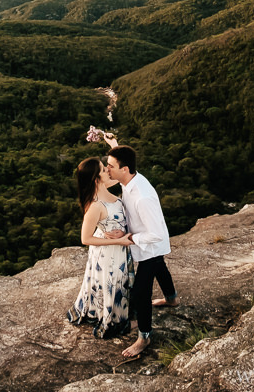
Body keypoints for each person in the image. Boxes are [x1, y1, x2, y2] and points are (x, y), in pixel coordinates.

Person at [106, 144, 177, 358]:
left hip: (150, 246)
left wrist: (128, 238)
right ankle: (172, 298)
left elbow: (154, 233)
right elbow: (125, 157)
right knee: (160, 268)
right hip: (148, 245)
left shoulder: (142, 196)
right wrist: (113, 144)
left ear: (124, 169)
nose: (107, 170)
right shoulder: (130, 178)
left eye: (110, 166)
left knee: (140, 293)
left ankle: (144, 337)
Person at [66, 157, 136, 339]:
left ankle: (120, 311)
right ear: (97, 179)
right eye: (104, 169)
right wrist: (118, 241)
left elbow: (126, 173)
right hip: (108, 252)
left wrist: (114, 145)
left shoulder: (107, 186)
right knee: (112, 283)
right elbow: (85, 238)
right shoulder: (95, 205)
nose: (108, 170)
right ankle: (112, 319)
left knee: (118, 282)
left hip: (116, 247)